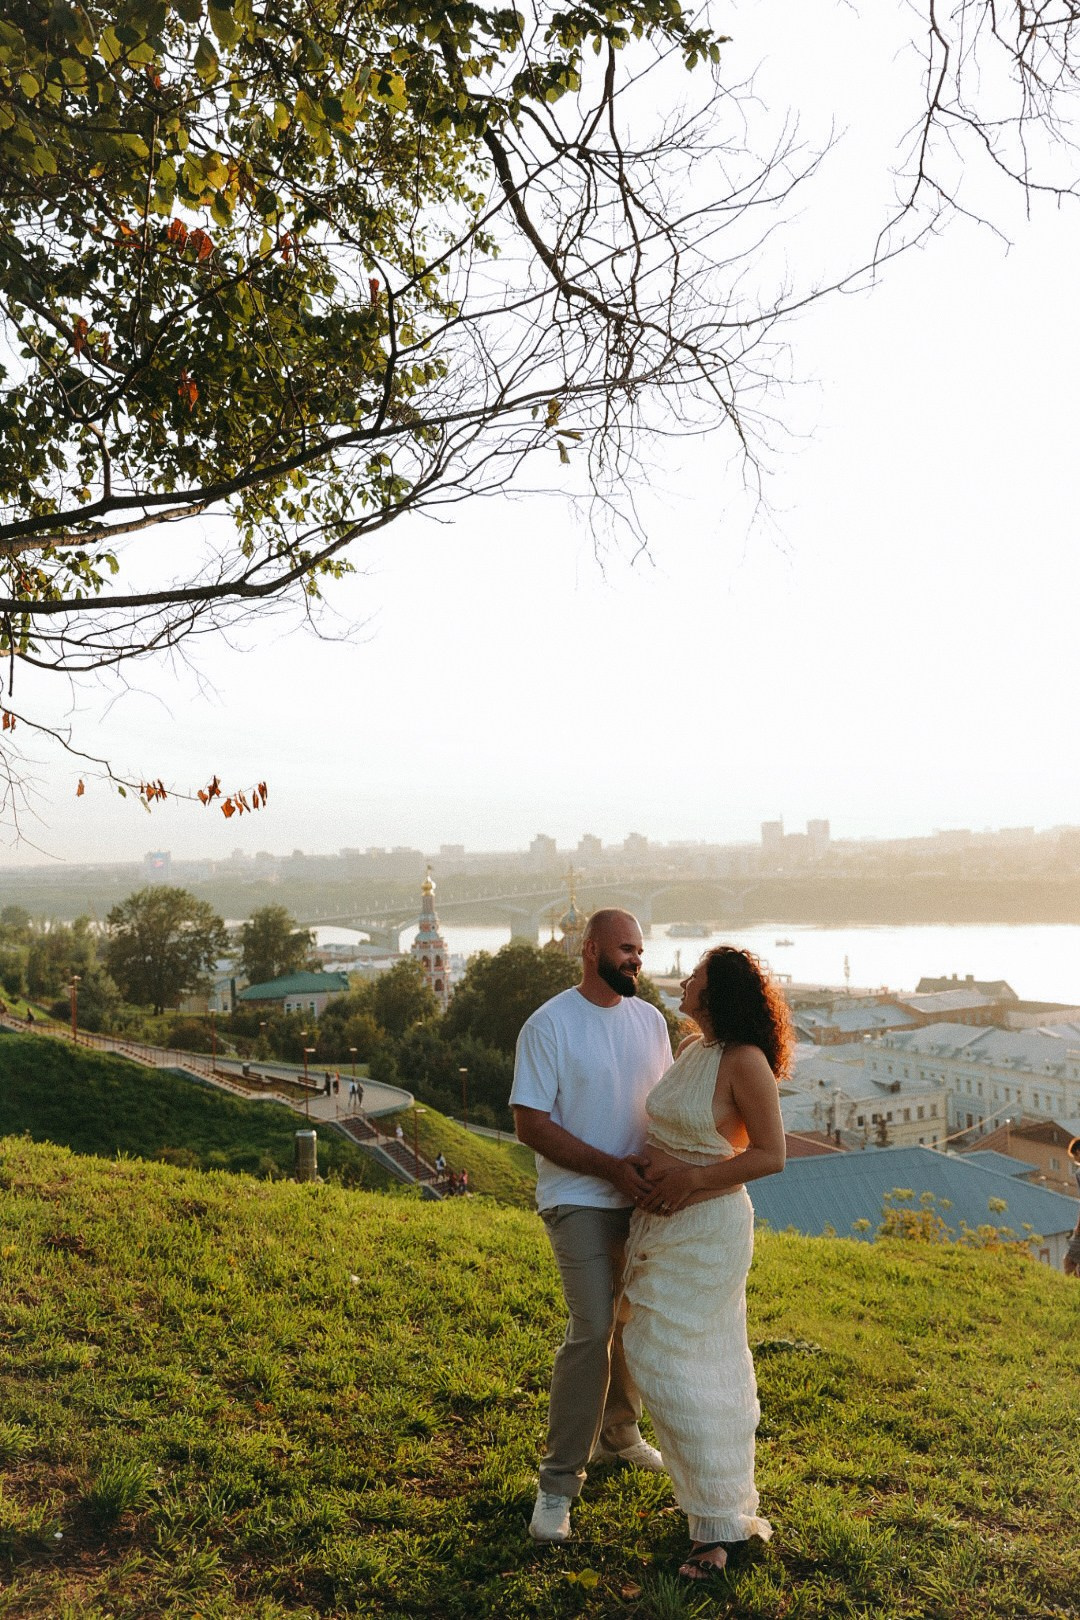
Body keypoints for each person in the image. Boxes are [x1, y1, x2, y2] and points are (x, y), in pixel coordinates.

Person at [620, 946, 789, 1580]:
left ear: (716, 994)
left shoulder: (745, 1061)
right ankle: (709, 1505)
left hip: (709, 1228)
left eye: (695, 976)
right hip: (660, 1221)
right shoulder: (694, 1049)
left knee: (683, 1360)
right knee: (663, 1352)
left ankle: (719, 1528)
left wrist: (690, 1179)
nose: (684, 981)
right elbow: (673, 1130)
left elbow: (771, 1155)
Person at [511, 908, 673, 1545]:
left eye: (640, 950)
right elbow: (531, 1124)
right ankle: (557, 1487)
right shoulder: (549, 1024)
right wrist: (610, 1169)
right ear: (591, 950)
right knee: (593, 1327)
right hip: (576, 1196)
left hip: (639, 1198)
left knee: (630, 1320)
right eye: (626, 948)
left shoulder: (650, 1021)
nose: (637, 959)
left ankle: (619, 1434)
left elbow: (661, 1109)